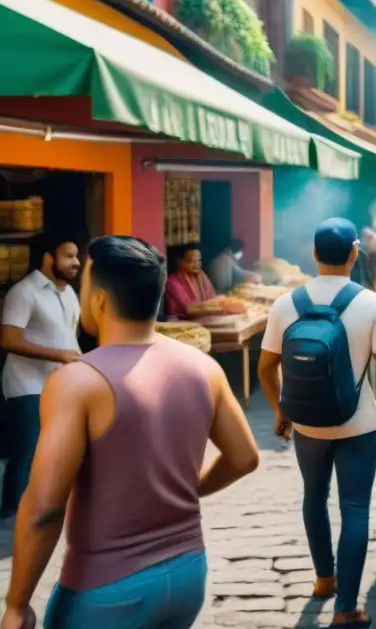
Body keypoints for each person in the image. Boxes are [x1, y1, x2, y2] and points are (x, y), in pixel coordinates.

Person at [0, 236, 259, 629]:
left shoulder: (78, 381)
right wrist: (193, 489)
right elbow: (244, 457)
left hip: (108, 590)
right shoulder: (203, 367)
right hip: (188, 574)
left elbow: (44, 508)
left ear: (100, 301)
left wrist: (17, 605)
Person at [257, 218, 376, 628]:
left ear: (313, 254)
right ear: (355, 253)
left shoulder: (285, 304)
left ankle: (324, 579)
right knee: (355, 507)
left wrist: (281, 408)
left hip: (308, 426)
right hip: (358, 424)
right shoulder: (372, 303)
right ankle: (347, 608)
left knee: (314, 496)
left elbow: (266, 366)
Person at [0, 233, 81, 522]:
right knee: (28, 453)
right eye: (68, 256)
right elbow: (9, 339)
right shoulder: (24, 292)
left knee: (57, 451)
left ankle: (42, 511)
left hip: (60, 385)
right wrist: (59, 355)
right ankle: (11, 515)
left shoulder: (68, 292)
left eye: (76, 256)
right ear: (48, 257)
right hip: (26, 385)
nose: (76, 262)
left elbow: (68, 338)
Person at [163, 244, 236, 319]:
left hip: (202, 317)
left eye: (198, 260)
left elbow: (212, 297)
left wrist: (220, 302)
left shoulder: (201, 275)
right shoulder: (172, 282)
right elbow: (189, 310)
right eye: (192, 261)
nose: (197, 264)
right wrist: (216, 306)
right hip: (181, 322)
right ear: (180, 262)